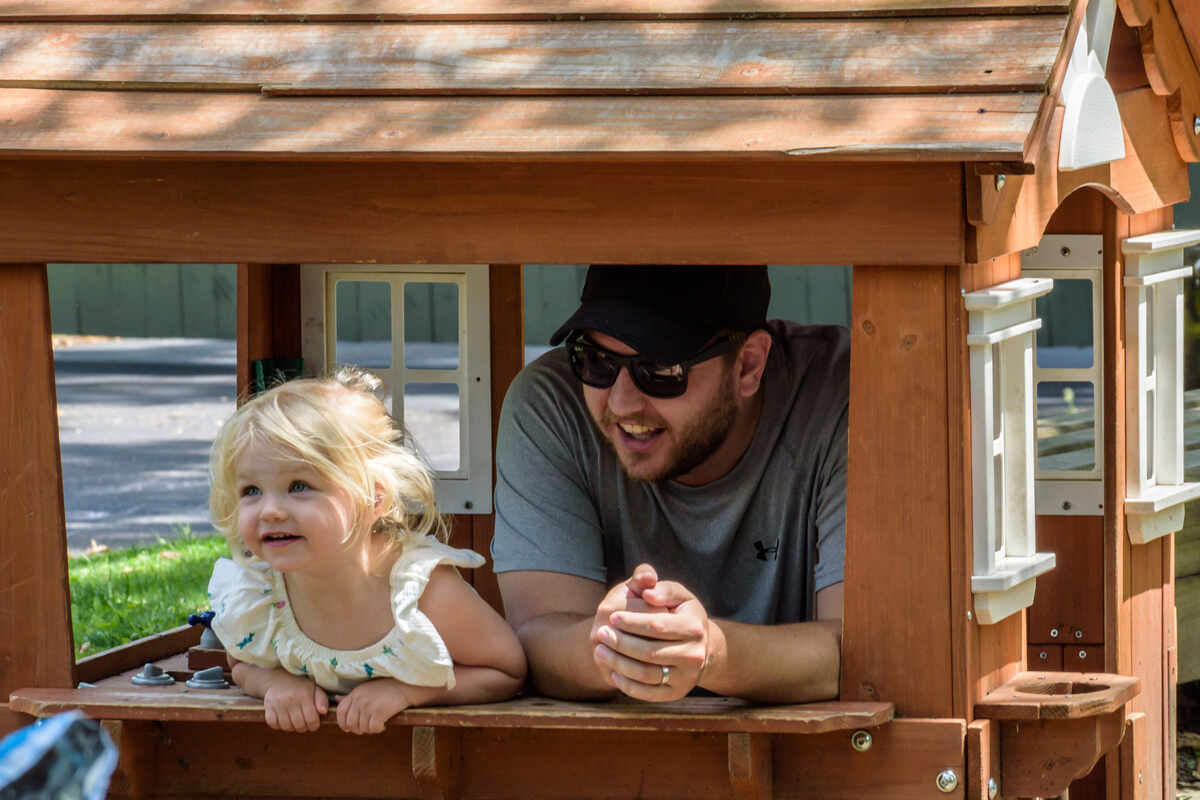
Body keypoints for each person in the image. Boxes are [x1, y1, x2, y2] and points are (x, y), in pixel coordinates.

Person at [492, 265, 846, 703]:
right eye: (597, 360)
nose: (621, 403)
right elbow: (532, 638)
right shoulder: (552, 402)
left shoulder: (845, 394)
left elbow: (865, 652)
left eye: (661, 369)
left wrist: (711, 653)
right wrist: (619, 641)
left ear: (748, 365)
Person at [207, 369, 526, 734]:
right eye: (251, 490)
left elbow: (507, 671)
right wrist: (274, 684)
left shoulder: (419, 594)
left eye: (299, 485)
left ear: (374, 497)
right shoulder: (261, 593)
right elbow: (241, 661)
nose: (270, 510)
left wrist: (409, 691)